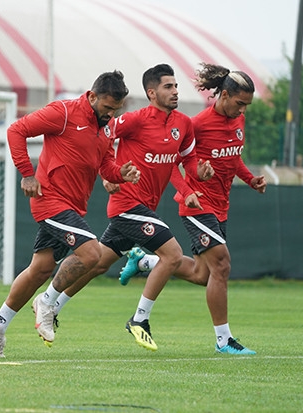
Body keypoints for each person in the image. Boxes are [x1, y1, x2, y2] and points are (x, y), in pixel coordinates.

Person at [48, 63, 213, 351]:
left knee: (97, 264)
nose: (175, 91)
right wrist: (107, 175)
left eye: (176, 86)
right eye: (168, 86)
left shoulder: (183, 125)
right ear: (152, 93)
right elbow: (102, 137)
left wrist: (200, 173)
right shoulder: (134, 120)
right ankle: (139, 320)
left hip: (145, 207)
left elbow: (188, 161)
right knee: (172, 255)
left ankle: (53, 306)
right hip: (127, 204)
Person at [0, 70, 140, 357]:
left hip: (73, 206)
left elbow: (107, 166)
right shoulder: (63, 112)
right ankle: (47, 302)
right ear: (92, 96)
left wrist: (122, 173)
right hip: (49, 199)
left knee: (39, 269)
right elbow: (16, 130)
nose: (110, 115)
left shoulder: (107, 127)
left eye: (115, 110)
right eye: (106, 108)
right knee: (93, 254)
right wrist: (27, 174)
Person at [118, 62, 267, 355]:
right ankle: (224, 340)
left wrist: (250, 179)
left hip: (220, 206)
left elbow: (233, 157)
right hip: (197, 204)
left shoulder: (238, 121)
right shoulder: (197, 124)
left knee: (204, 275)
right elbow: (172, 161)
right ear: (223, 96)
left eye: (247, 105)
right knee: (222, 264)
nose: (243, 110)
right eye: (240, 103)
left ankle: (146, 262)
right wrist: (187, 192)